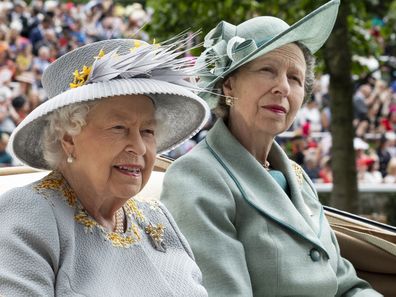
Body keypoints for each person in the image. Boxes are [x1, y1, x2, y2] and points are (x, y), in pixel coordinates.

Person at [161, 1, 382, 296]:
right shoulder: (194, 177)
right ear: (229, 86)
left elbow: (346, 285)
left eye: (295, 78)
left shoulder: (298, 178)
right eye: (267, 70)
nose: (283, 88)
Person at [0, 37, 210, 296]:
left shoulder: (157, 217)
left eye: (147, 131)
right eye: (119, 128)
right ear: (69, 139)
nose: (140, 148)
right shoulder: (28, 213)